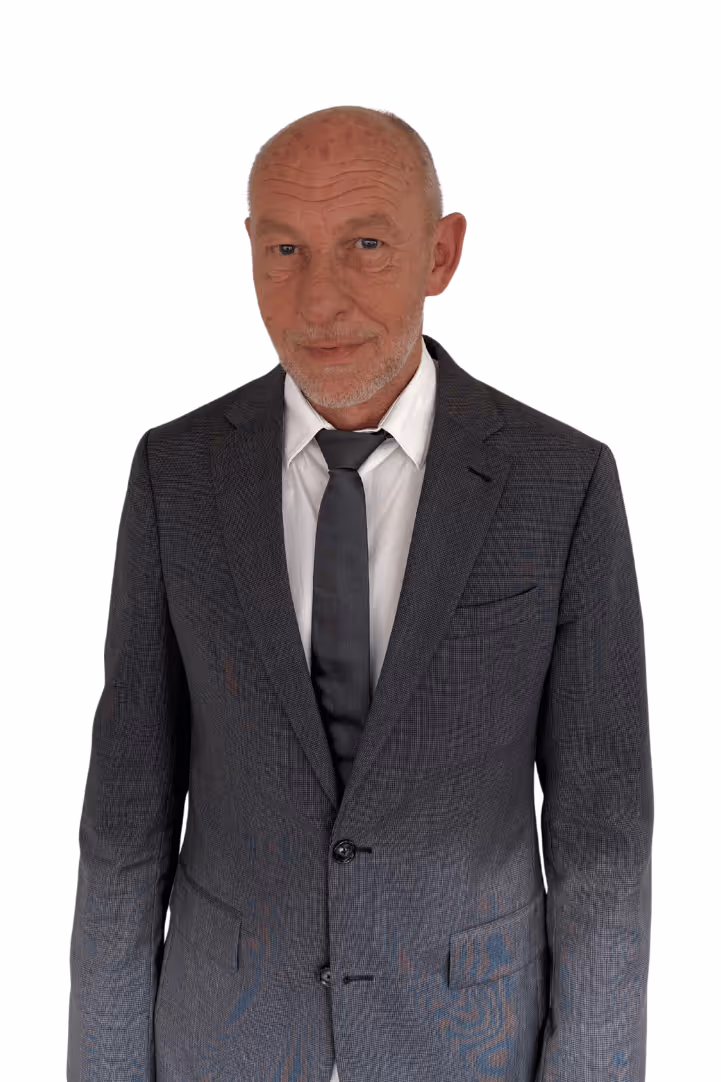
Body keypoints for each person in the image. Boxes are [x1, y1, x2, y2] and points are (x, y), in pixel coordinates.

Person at [67, 105, 653, 1082]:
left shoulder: (561, 483)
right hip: (228, 1033)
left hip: (469, 1037)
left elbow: (604, 845)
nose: (319, 298)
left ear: (441, 253)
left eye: (366, 245)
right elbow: (124, 823)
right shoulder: (177, 474)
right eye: (284, 249)